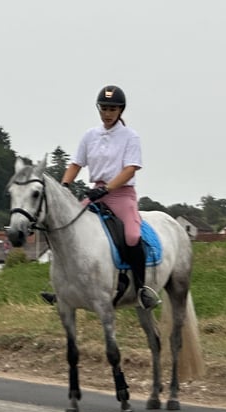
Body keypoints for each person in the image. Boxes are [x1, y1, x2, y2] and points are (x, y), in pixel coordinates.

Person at [42, 84, 160, 310]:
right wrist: (64, 184)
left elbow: (130, 169)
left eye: (112, 109)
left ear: (120, 111)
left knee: (133, 236)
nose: (107, 113)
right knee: (66, 228)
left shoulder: (130, 137)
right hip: (95, 193)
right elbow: (76, 163)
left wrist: (107, 189)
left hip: (121, 194)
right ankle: (63, 289)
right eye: (104, 108)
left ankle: (143, 289)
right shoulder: (90, 135)